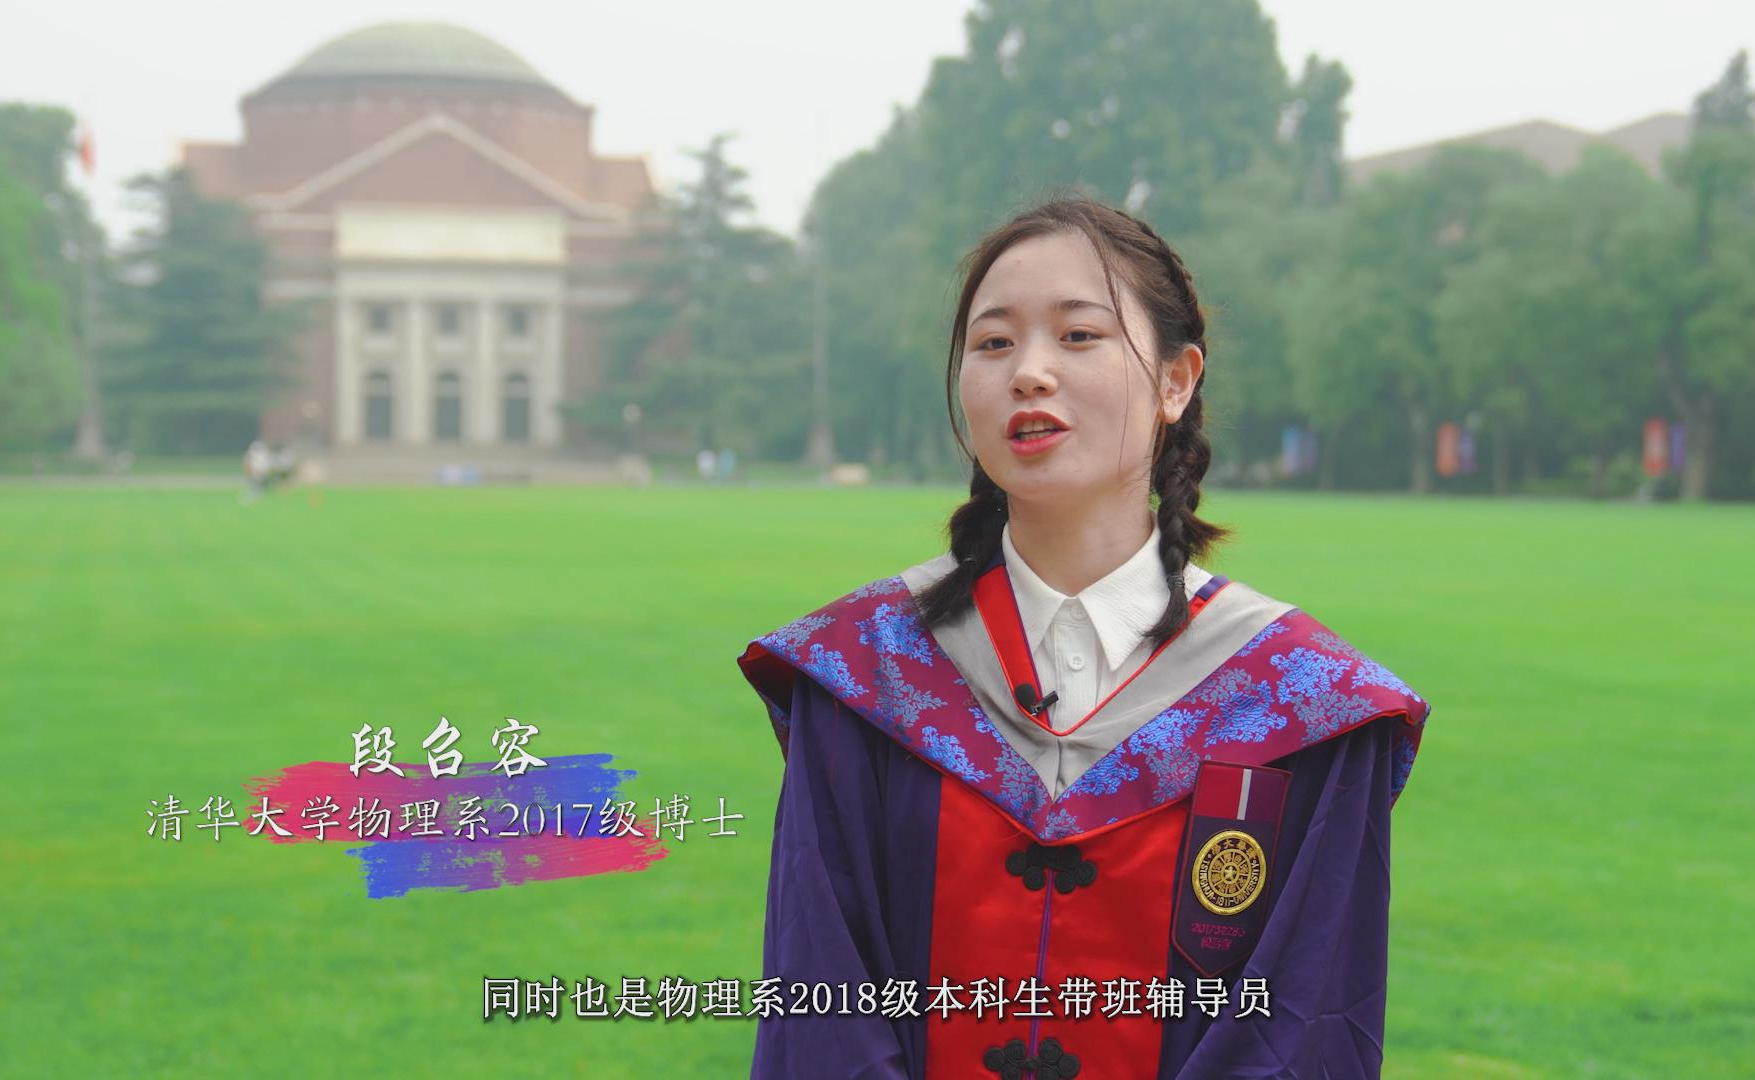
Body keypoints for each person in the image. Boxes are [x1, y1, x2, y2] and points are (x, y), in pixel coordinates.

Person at [737, 197, 1431, 1079]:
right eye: (993, 343)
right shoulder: (861, 676)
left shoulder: (1307, 705)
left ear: (1176, 381)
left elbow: (1303, 1030)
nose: (1028, 372)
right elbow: (821, 1014)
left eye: (1078, 335)